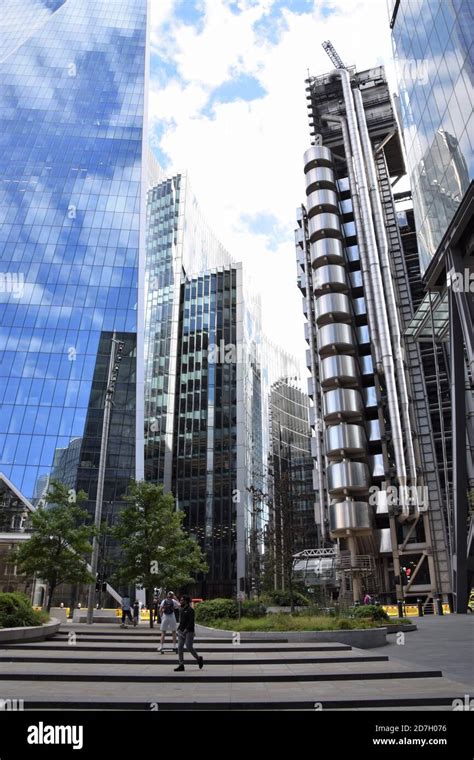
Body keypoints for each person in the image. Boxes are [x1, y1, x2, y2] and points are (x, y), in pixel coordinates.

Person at [174, 595, 203, 672]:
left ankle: (198, 658)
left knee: (189, 647)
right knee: (180, 647)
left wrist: (186, 630)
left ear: (186, 601)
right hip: (181, 631)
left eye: (182, 600)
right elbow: (182, 621)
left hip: (189, 631)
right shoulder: (182, 609)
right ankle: (181, 665)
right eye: (180, 600)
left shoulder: (190, 610)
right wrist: (179, 629)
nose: (180, 602)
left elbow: (191, 622)